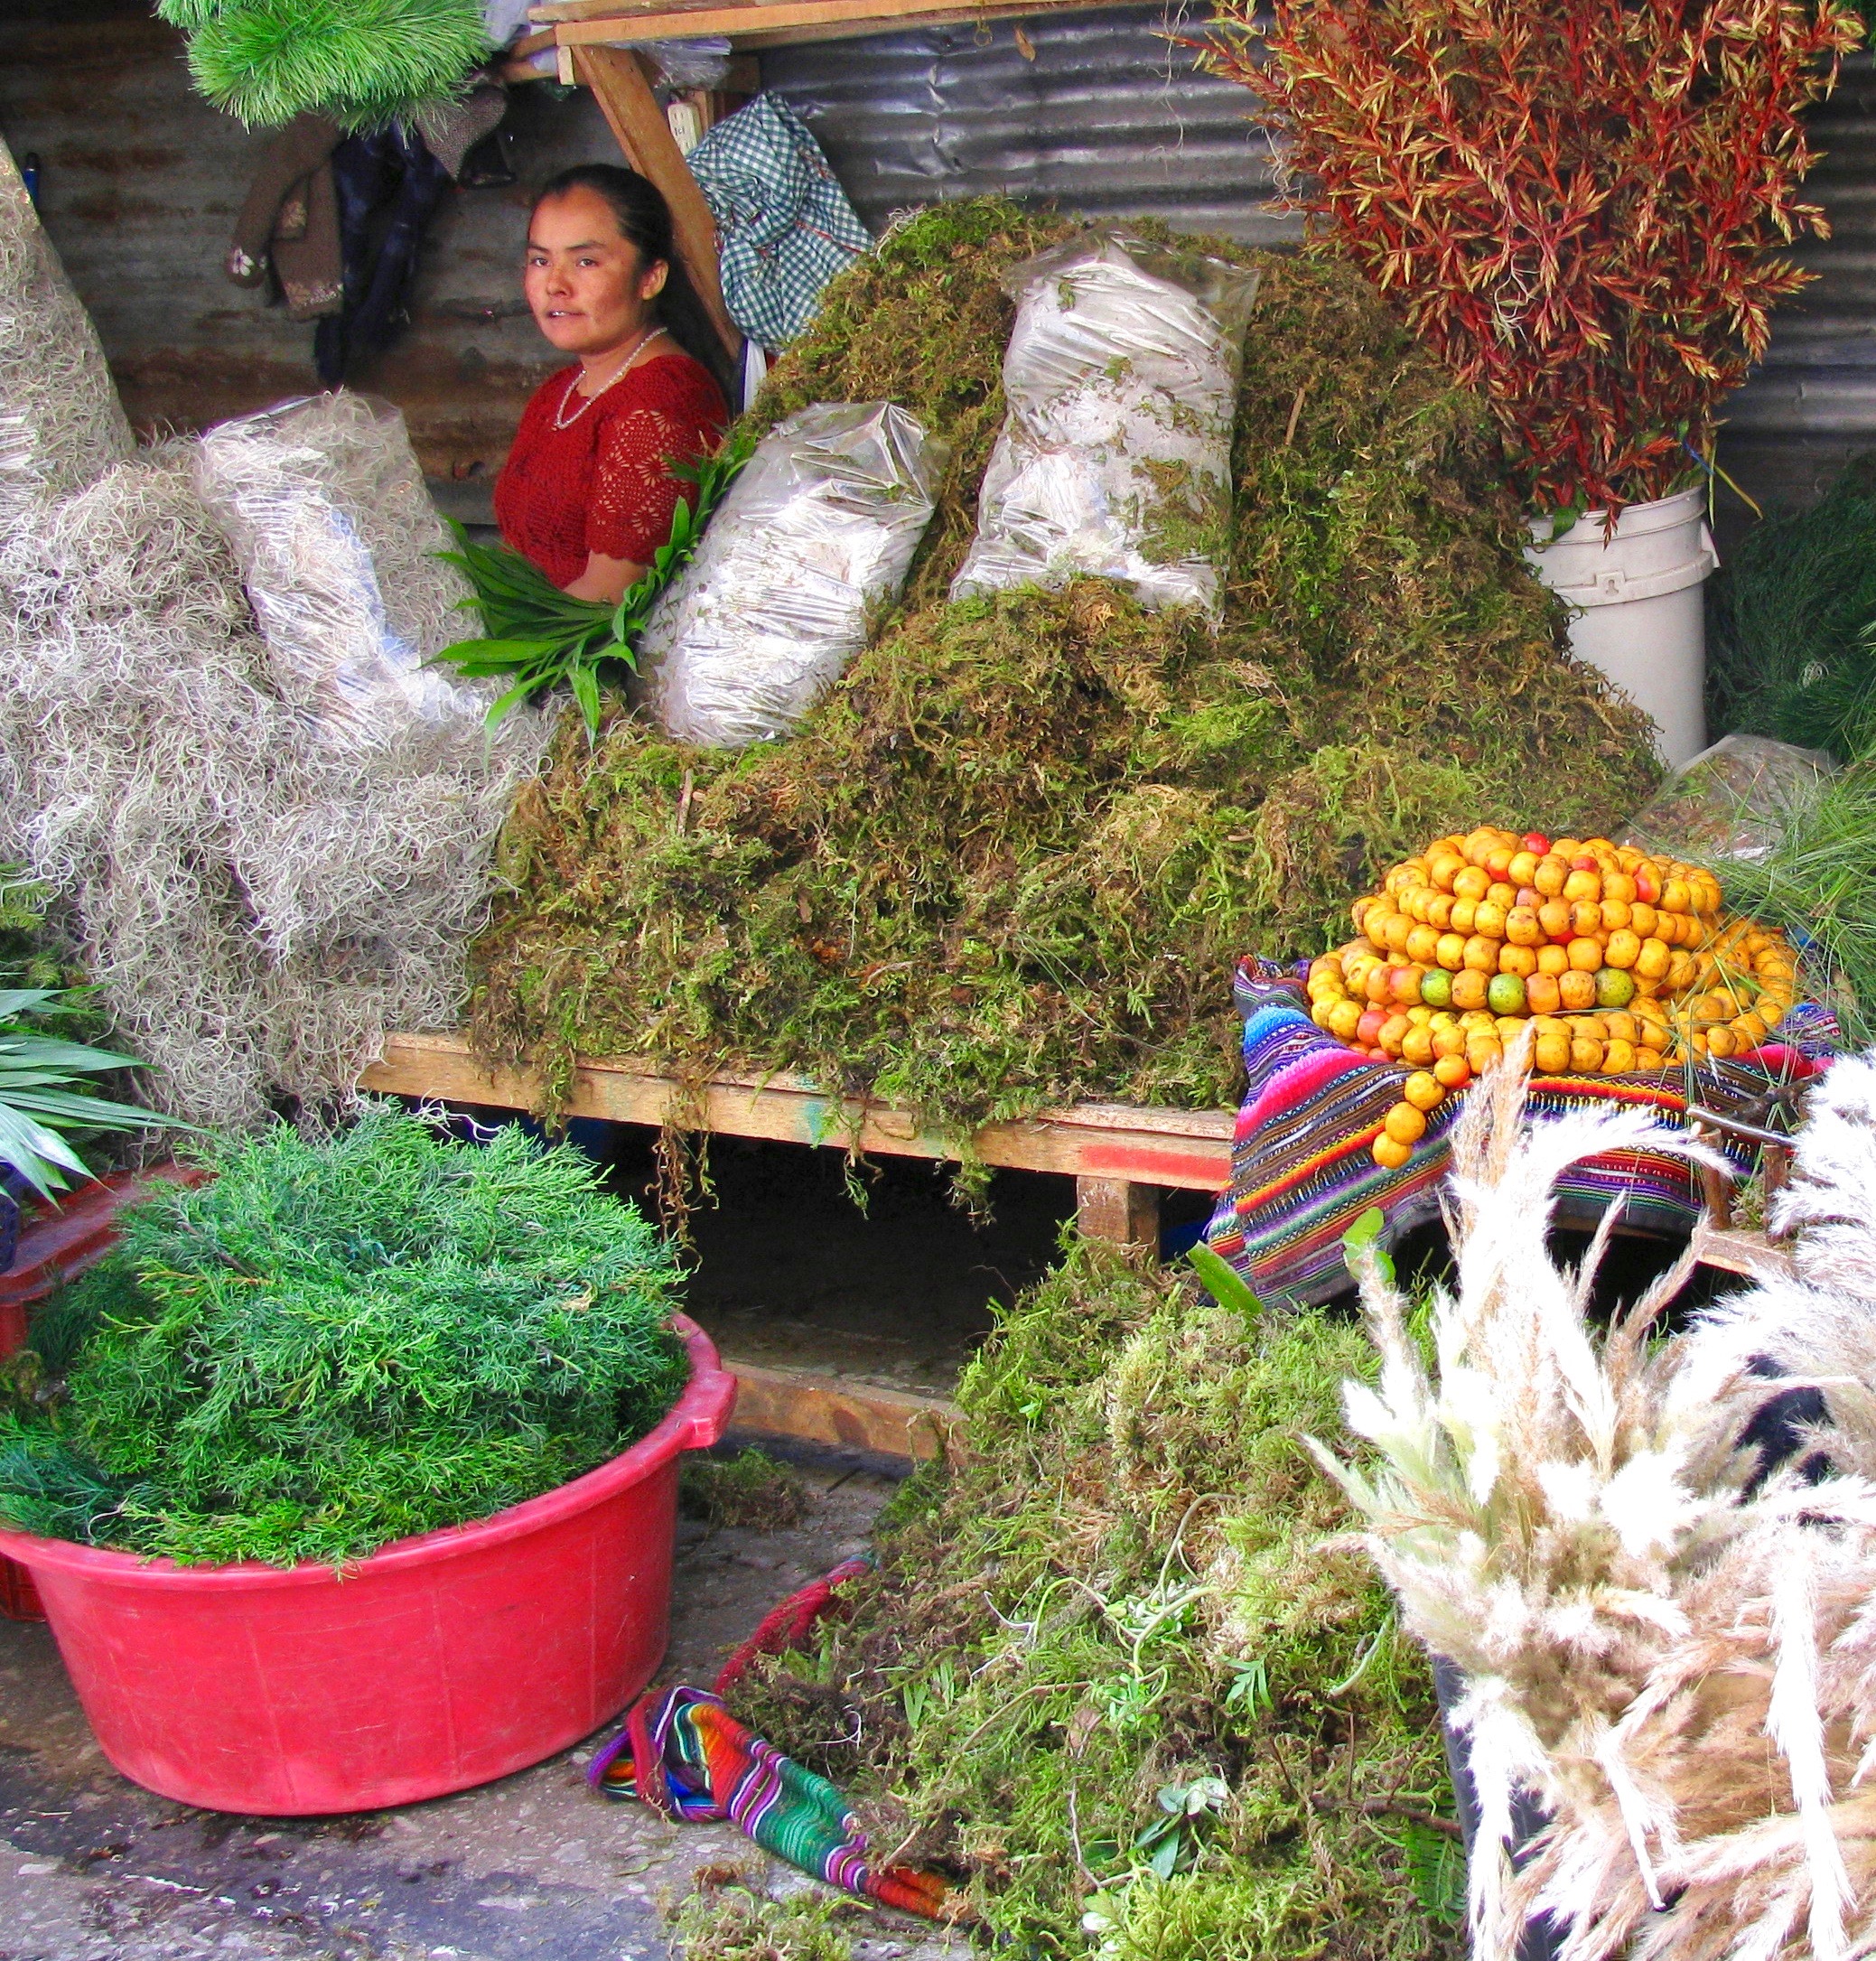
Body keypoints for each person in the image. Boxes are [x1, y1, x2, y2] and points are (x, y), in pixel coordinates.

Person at [494, 164, 731, 602]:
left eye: (585, 261)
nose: (555, 285)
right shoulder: (559, 392)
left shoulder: (663, 397)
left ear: (650, 278)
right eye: (540, 260)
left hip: (591, 660)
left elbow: (609, 596)